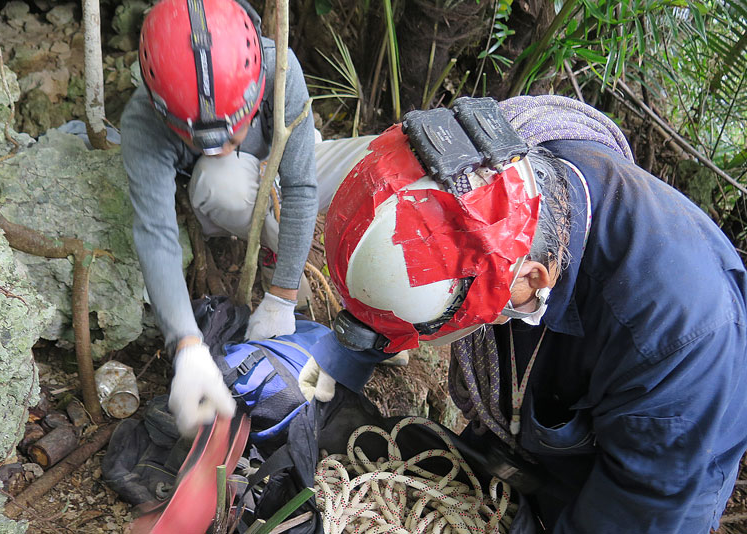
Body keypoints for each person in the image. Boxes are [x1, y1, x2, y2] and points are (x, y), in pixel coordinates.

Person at [300, 94, 747, 533]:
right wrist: (350, 350)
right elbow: (408, 240)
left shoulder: (677, 343)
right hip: (535, 411)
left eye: (435, 329)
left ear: (530, 280)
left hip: (657, 465)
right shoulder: (492, 154)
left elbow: (638, 508)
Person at [121, 0, 371, 437]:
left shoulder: (278, 69)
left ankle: (373, 312)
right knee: (220, 175)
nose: (218, 142)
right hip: (230, 189)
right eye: (200, 136)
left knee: (379, 166)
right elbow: (156, 234)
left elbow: (300, 184)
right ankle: (306, 267)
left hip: (288, 156)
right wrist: (186, 343)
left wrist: (281, 295)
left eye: (231, 129)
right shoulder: (144, 118)